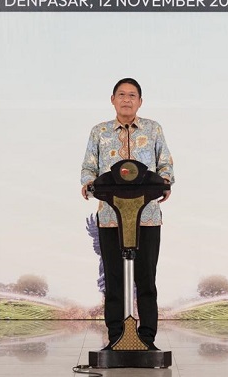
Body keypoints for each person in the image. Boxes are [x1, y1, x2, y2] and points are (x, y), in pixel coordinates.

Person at [81, 78, 174, 350]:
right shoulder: (99, 132)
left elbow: (165, 164)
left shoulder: (153, 129)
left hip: (148, 217)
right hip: (111, 219)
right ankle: (116, 338)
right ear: (112, 100)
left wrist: (165, 182)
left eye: (132, 95)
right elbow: (88, 169)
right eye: (121, 94)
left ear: (140, 102)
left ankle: (146, 339)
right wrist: (88, 183)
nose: (126, 99)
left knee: (146, 280)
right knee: (114, 280)